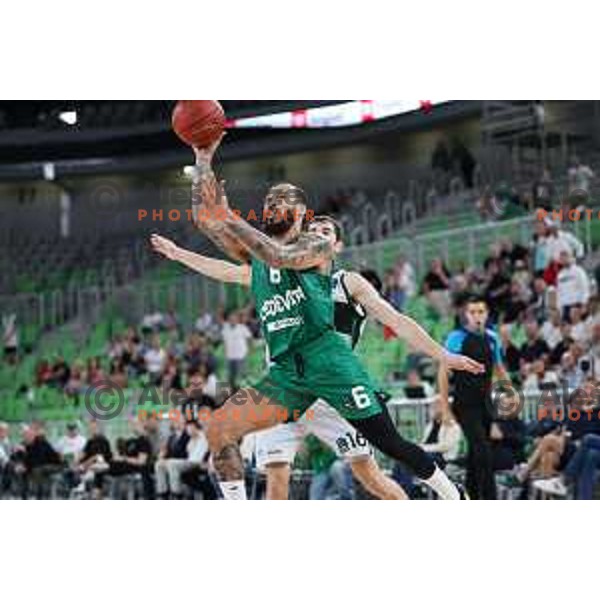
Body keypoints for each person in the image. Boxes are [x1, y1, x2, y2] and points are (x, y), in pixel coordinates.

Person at [153, 138, 482, 501]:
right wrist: (203, 160)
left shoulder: (316, 248)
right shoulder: (256, 261)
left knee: (387, 445)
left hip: (330, 365)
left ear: (300, 212)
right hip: (286, 373)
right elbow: (208, 223)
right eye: (268, 201)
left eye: (282, 200)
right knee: (219, 429)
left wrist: (442, 355)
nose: (273, 204)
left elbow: (279, 255)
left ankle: (454, 498)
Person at [443, 296, 510, 499]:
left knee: (476, 453)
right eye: (472, 312)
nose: (477, 316)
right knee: (483, 451)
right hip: (464, 405)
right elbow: (443, 373)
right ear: (466, 315)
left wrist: (509, 393)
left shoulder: (492, 338)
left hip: (485, 404)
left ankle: (468, 495)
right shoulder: (456, 337)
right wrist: (445, 409)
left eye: (481, 312)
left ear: (487, 314)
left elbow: (499, 369)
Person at [221, 310, 253, 390]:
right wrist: (225, 353)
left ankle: (243, 393)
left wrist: (249, 350)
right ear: (228, 320)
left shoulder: (242, 328)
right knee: (231, 378)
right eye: (231, 319)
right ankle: (233, 393)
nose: (232, 320)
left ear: (237, 319)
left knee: (241, 377)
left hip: (241, 356)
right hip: (230, 357)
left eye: (234, 318)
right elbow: (224, 342)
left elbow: (249, 339)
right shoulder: (225, 329)